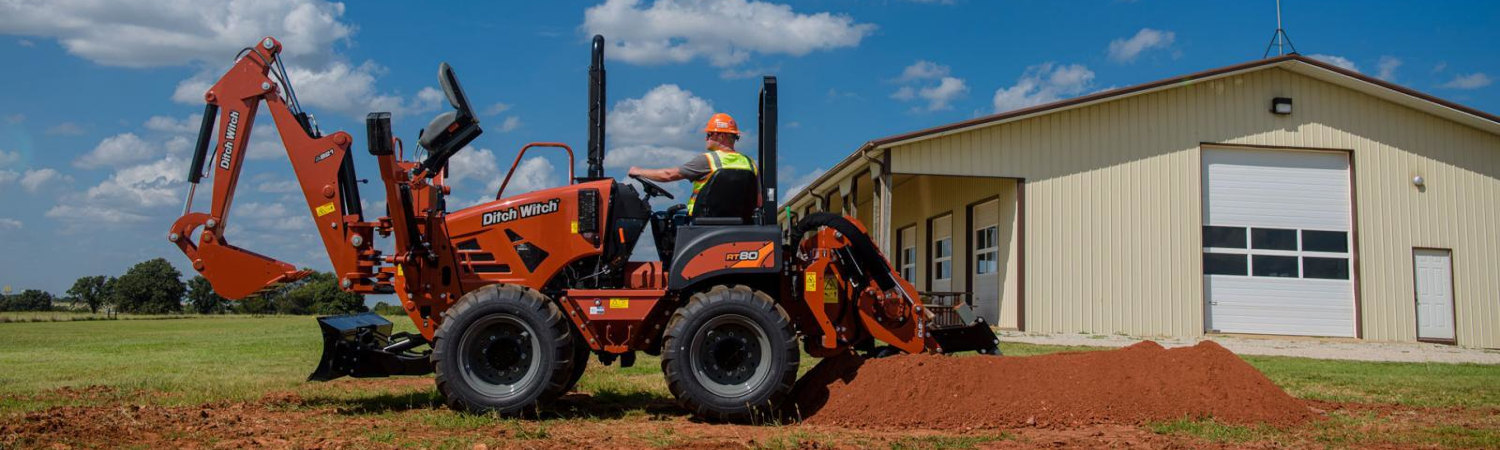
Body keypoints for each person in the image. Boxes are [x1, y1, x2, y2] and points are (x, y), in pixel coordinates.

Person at [627, 113, 756, 215]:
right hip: (741, 224)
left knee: (663, 219)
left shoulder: (708, 161)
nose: (706, 138)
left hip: (702, 224)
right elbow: (759, 201)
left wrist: (639, 171)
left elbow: (668, 175)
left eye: (709, 134)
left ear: (721, 136)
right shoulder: (751, 164)